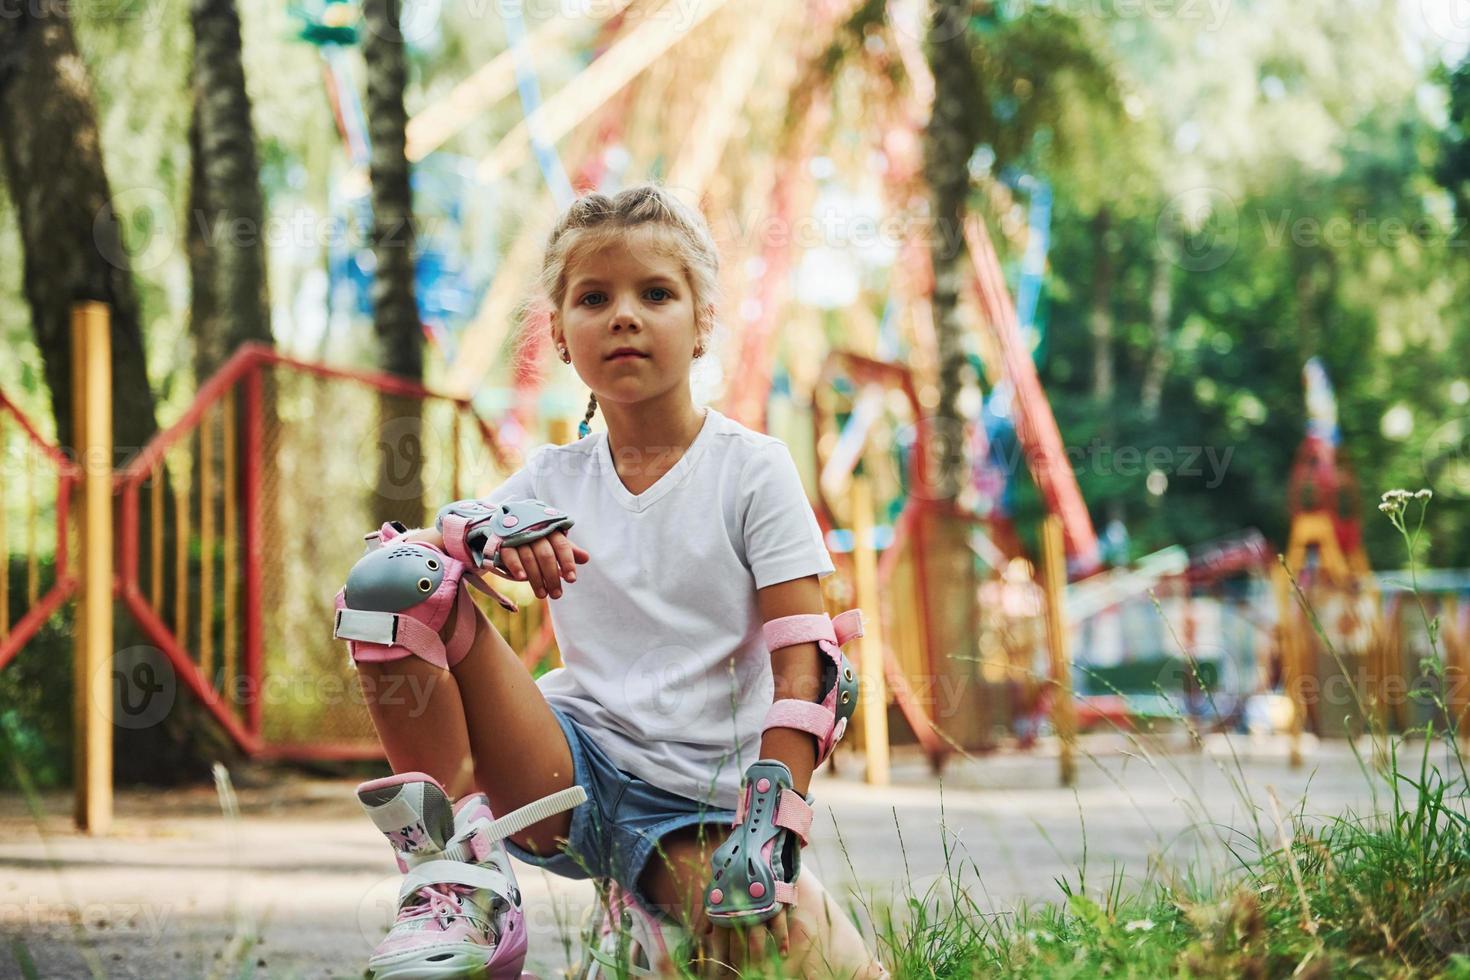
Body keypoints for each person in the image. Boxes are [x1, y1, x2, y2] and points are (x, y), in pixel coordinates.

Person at [332, 184, 889, 979]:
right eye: (594, 298)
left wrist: (767, 831)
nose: (624, 314)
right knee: (395, 585)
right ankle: (461, 887)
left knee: (798, 966)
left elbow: (813, 668)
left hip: (697, 811)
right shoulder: (552, 479)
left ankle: (649, 918)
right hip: (565, 774)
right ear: (560, 334)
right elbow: (395, 568)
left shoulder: (752, 471)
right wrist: (475, 532)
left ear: (701, 323)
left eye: (655, 293)